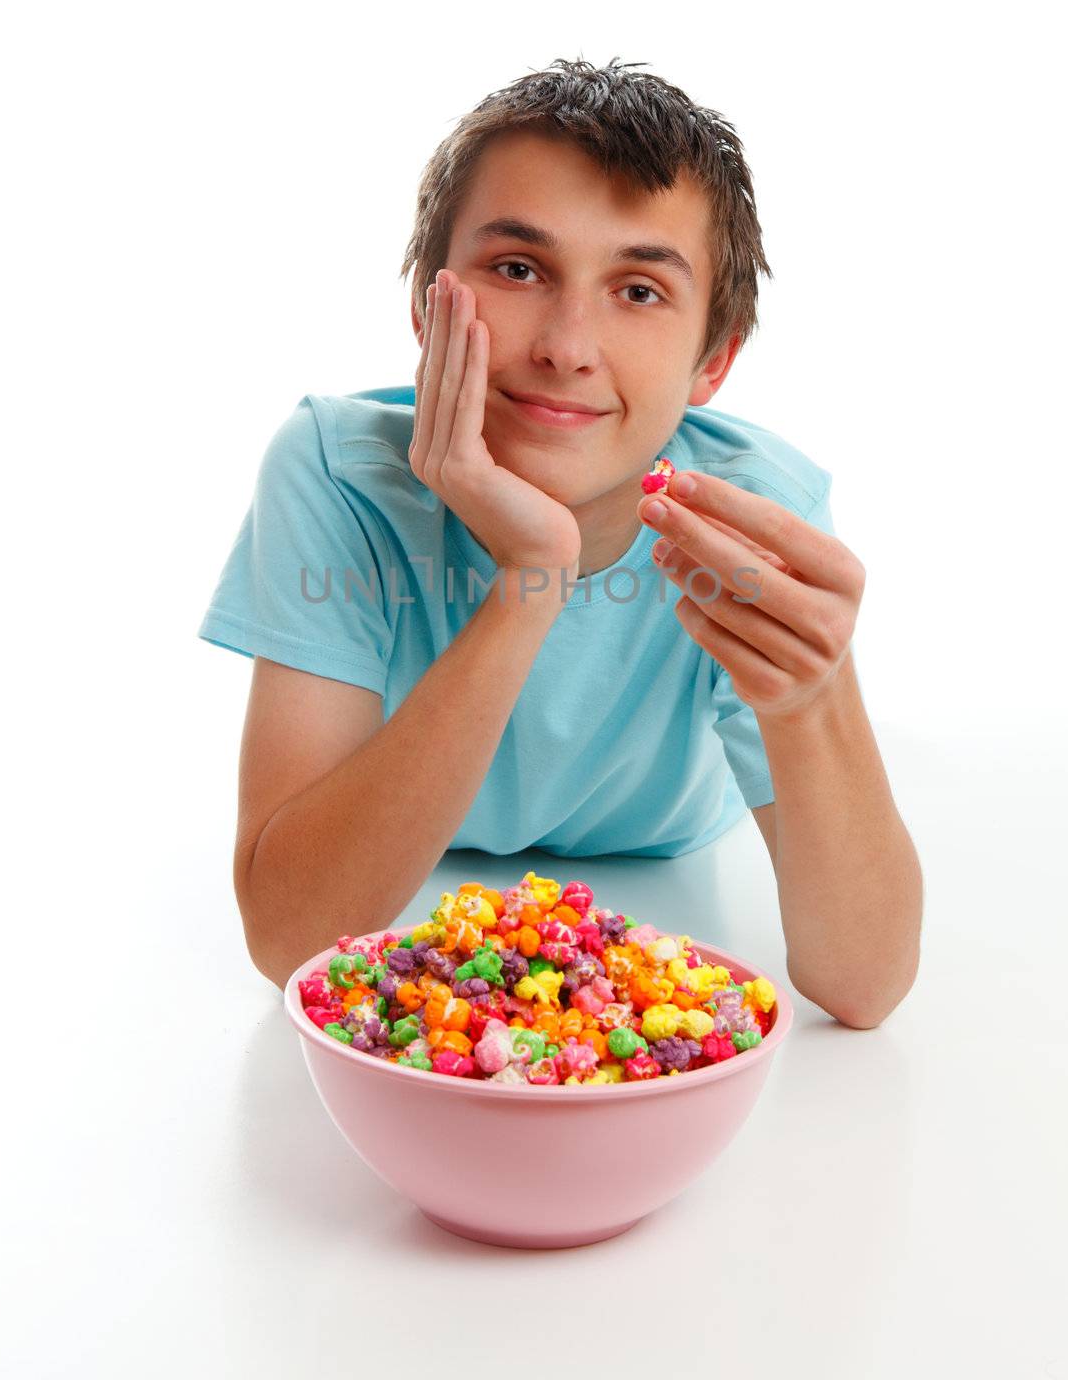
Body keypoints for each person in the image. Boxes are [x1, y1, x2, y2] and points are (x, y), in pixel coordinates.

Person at [197, 57, 922, 1024]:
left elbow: (864, 987)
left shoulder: (749, 513)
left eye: (638, 291)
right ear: (425, 306)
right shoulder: (339, 473)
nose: (566, 345)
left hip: (662, 860)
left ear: (714, 360)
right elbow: (293, 940)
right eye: (518, 270)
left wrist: (812, 701)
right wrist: (533, 576)